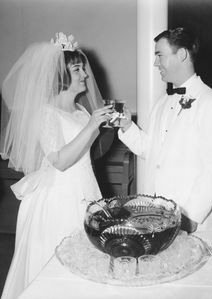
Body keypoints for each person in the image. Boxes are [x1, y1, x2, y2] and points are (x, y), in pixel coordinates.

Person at [0, 32, 112, 299]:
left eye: (83, 68)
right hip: (58, 198)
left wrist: (105, 125)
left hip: (86, 189)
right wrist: (91, 127)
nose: (85, 74)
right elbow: (60, 161)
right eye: (77, 69)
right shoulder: (46, 113)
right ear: (61, 75)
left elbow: (86, 152)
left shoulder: (82, 111)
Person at [118, 27, 212, 232]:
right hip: (155, 214)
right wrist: (127, 126)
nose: (155, 63)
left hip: (189, 220)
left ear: (182, 55)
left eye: (159, 55)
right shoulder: (162, 102)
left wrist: (190, 217)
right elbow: (151, 150)